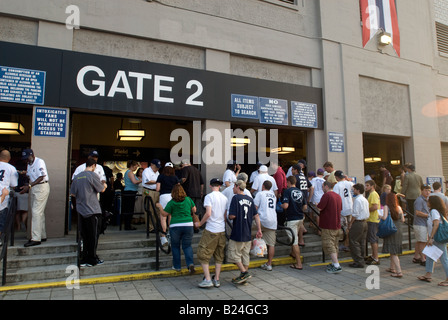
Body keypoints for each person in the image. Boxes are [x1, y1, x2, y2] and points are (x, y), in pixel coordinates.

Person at [70, 158, 107, 267]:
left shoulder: (77, 177)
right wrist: (104, 185)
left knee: (84, 236)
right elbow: (102, 189)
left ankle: (84, 258)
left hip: (81, 211)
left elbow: (72, 194)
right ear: (94, 165)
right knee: (93, 236)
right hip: (93, 210)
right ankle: (92, 259)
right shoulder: (92, 175)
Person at [228, 180, 262, 284]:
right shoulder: (250, 199)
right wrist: (259, 229)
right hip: (247, 231)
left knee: (233, 253)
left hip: (238, 231)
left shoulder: (235, 198)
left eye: (234, 187)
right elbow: (256, 215)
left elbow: (232, 216)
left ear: (237, 187)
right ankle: (244, 276)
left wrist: (229, 216)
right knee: (245, 254)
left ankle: (244, 272)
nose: (233, 189)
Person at [195, 178, 228, 288]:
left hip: (211, 229)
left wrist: (200, 223)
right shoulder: (224, 197)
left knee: (203, 253)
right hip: (221, 229)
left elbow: (208, 213)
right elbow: (224, 216)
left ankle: (208, 279)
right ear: (220, 186)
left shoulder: (209, 197)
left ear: (210, 186)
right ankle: (217, 279)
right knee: (219, 255)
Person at [156, 184, 196, 273]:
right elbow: (194, 210)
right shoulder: (188, 199)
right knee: (187, 246)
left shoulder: (172, 202)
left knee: (175, 246)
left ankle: (177, 266)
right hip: (188, 225)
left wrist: (160, 207)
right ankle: (190, 264)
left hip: (175, 226)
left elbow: (164, 214)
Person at [21, 149, 50, 247]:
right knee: (39, 213)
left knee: (36, 212)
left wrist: (29, 186)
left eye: (27, 158)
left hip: (41, 187)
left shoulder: (39, 161)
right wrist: (26, 184)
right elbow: (30, 177)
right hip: (34, 188)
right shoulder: (29, 164)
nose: (26, 160)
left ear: (32, 155)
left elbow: (41, 177)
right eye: (25, 159)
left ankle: (36, 238)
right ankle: (42, 235)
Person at [418, 196, 448, 286]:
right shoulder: (436, 211)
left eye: (428, 201)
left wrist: (431, 237)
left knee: (444, 259)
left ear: (432, 203)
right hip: (435, 238)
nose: (427, 203)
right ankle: (428, 274)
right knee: (430, 255)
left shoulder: (434, 211)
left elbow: (436, 224)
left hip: (437, 238)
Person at [281, 176, 307, 270]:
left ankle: (299, 263)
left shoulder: (287, 191)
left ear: (288, 182)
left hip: (291, 218)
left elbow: (286, 206)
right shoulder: (300, 191)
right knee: (295, 236)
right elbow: (305, 206)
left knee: (294, 242)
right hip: (300, 217)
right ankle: (293, 253)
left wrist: (280, 205)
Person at [317, 181, 343, 273]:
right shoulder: (338, 196)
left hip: (328, 224)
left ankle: (336, 265)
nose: (322, 188)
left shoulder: (327, 196)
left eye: (323, 186)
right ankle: (334, 262)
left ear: (326, 186)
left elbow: (320, 208)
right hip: (337, 224)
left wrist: (317, 204)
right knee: (335, 244)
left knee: (329, 244)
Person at [254, 180, 278, 271]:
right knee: (271, 244)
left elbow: (255, 207)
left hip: (262, 219)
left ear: (263, 186)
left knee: (252, 234)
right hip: (272, 220)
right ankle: (269, 264)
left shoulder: (260, 194)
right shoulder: (273, 195)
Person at [156, 162, 180, 246]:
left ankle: (163, 236)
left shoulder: (161, 176)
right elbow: (178, 188)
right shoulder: (175, 177)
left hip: (163, 196)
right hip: (172, 197)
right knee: (171, 216)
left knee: (163, 217)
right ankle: (171, 234)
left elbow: (157, 188)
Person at [381, 192, 405, 278]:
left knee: (393, 252)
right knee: (394, 248)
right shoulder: (399, 207)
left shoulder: (387, 207)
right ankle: (392, 268)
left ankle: (399, 271)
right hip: (399, 229)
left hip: (391, 229)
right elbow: (403, 220)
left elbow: (384, 217)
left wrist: (379, 215)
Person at [348, 183, 369, 268]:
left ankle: (358, 260)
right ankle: (362, 258)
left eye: (354, 189)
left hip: (358, 222)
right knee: (362, 242)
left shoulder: (357, 200)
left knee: (354, 241)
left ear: (358, 190)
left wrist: (350, 223)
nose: (353, 191)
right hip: (365, 222)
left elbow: (355, 214)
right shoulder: (364, 199)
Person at [333, 170, 354, 252]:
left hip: (342, 209)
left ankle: (345, 243)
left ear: (336, 177)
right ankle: (348, 243)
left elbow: (335, 198)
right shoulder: (349, 183)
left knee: (343, 228)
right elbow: (354, 186)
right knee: (349, 226)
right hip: (350, 207)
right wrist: (348, 179)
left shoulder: (337, 185)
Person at [0, 150, 18, 237]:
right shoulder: (11, 168)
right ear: (9, 158)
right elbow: (14, 185)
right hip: (3, 195)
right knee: (1, 220)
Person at [412, 184, 432, 265]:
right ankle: (423, 259)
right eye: (426, 190)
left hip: (424, 223)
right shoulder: (419, 200)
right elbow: (417, 212)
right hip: (420, 224)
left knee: (419, 241)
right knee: (422, 241)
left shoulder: (427, 200)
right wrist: (428, 215)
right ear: (422, 190)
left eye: (429, 190)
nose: (427, 192)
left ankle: (416, 256)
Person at [142, 159, 161, 232]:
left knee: (157, 209)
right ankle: (150, 227)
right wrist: (158, 182)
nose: (157, 169)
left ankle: (157, 225)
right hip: (148, 191)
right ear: (152, 165)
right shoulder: (147, 171)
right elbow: (147, 181)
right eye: (156, 167)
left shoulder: (157, 172)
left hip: (156, 191)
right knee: (149, 209)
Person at [365, 180, 381, 265]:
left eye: (367, 185)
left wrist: (366, 210)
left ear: (372, 186)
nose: (366, 187)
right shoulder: (371, 194)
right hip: (371, 219)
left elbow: (375, 206)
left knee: (373, 239)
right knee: (372, 239)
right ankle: (373, 255)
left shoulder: (373, 194)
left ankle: (376, 257)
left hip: (373, 219)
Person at [122, 160, 141, 230]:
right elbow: (134, 181)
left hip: (130, 191)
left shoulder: (130, 173)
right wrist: (141, 180)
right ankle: (127, 225)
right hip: (130, 192)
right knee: (129, 209)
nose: (136, 167)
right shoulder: (130, 173)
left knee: (129, 208)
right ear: (132, 166)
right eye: (136, 166)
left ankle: (128, 224)